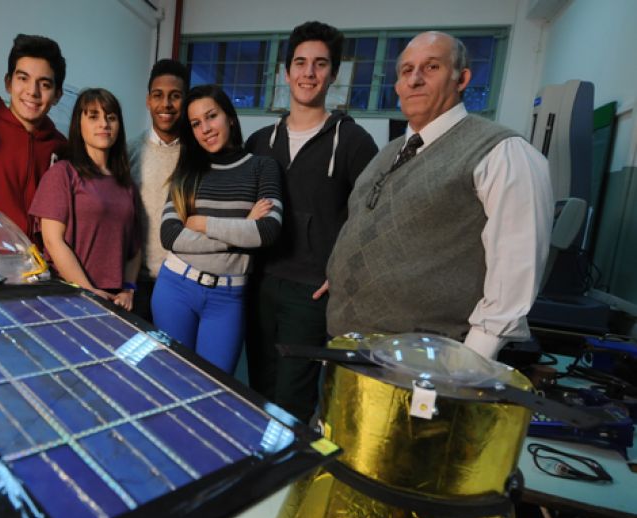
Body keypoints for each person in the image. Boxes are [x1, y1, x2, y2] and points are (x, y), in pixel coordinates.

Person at [326, 31, 553, 359]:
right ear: (397, 85)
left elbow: (516, 268)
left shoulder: (501, 151)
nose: (415, 79)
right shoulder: (387, 153)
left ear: (461, 79)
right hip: (348, 344)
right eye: (406, 71)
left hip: (426, 361)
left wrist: (467, 363)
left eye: (431, 67)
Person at [245, 21, 377, 421]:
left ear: (333, 74)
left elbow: (374, 217)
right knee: (257, 389)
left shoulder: (353, 142)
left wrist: (342, 272)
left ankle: (290, 479)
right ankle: (261, 477)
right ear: (286, 73)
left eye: (320, 64)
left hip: (311, 293)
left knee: (291, 399)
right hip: (259, 285)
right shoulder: (259, 142)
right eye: (300, 63)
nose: (308, 73)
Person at [153, 85, 282, 374]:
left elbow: (268, 232)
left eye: (211, 116)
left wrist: (204, 224)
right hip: (175, 288)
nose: (205, 129)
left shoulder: (263, 167)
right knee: (171, 381)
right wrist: (243, 229)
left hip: (228, 298)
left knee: (214, 388)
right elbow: (170, 235)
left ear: (230, 118)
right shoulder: (187, 171)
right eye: (196, 124)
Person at [29, 89, 141, 309]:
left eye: (111, 117)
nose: (104, 124)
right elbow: (53, 241)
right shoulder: (63, 173)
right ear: (78, 125)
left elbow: (135, 249)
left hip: (115, 300)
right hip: (70, 294)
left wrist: (128, 289)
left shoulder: (127, 184)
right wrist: (86, 289)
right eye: (93, 117)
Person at [0, 34, 67, 239]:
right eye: (23, 79)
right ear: (8, 83)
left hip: (41, 266)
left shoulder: (64, 148)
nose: (32, 92)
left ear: (58, 94)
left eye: (45, 84)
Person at [128, 59, 189, 322]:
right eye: (158, 96)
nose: (166, 104)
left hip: (184, 282)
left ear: (185, 101)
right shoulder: (128, 152)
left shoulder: (197, 153)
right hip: (136, 281)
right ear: (148, 101)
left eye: (175, 96)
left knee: (177, 359)